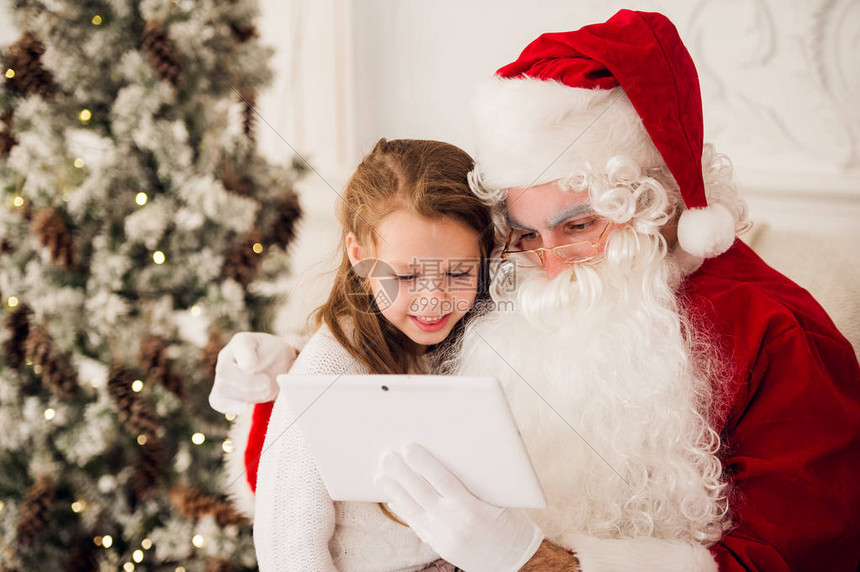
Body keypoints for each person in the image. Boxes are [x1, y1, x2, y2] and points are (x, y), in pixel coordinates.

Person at [213, 10, 860, 572]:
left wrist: (534, 562)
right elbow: (339, 471)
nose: (548, 259)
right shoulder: (506, 284)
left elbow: (802, 556)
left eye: (579, 226)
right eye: (523, 233)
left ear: (652, 205)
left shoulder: (774, 332)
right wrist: (281, 390)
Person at [232, 138, 496, 571]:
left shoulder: (475, 343)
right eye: (408, 275)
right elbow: (288, 546)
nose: (434, 299)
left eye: (458, 272)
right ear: (361, 258)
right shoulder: (328, 370)